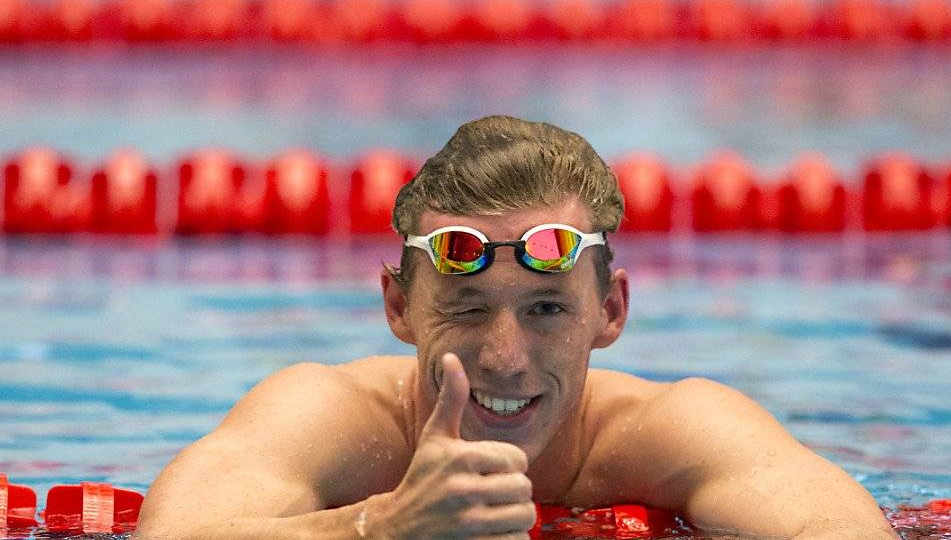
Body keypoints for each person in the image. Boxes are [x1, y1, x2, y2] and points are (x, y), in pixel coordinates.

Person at [136, 116, 896, 539]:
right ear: (399, 309)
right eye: (466, 310)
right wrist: (384, 526)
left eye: (546, 309)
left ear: (611, 312)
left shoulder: (674, 433)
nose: (504, 359)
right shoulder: (332, 420)